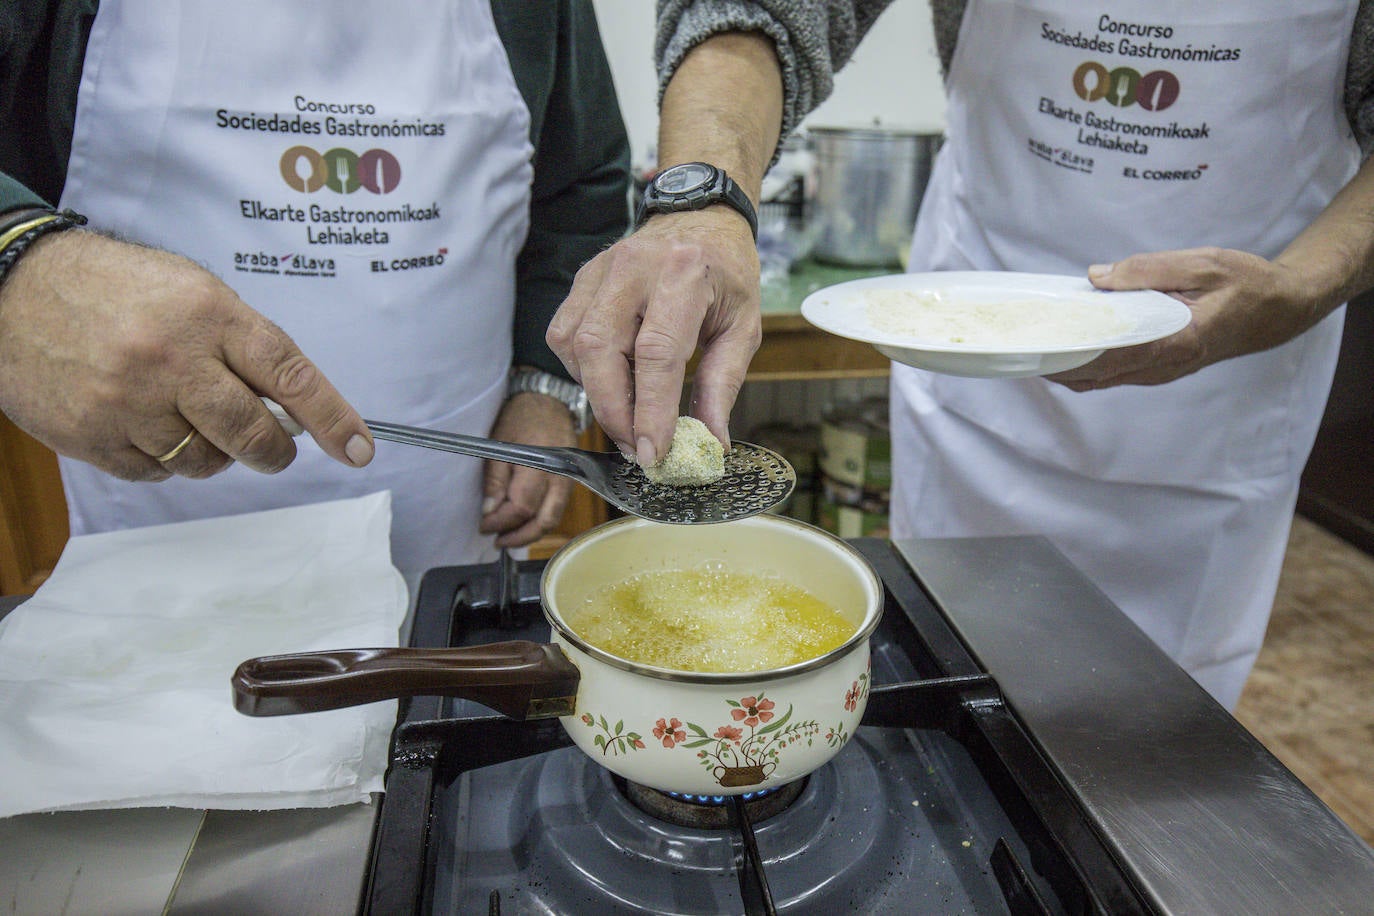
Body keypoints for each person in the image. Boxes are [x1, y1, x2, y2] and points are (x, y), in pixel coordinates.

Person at [547, 0, 1374, 709]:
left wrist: (1306, 283)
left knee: (1153, 730)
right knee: (948, 671)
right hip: (966, 355)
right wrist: (705, 201)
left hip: (1218, 393)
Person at [0, 1, 630, 590]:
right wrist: (22, 267)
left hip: (452, 522)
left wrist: (543, 383)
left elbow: (578, 189)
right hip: (163, 532)